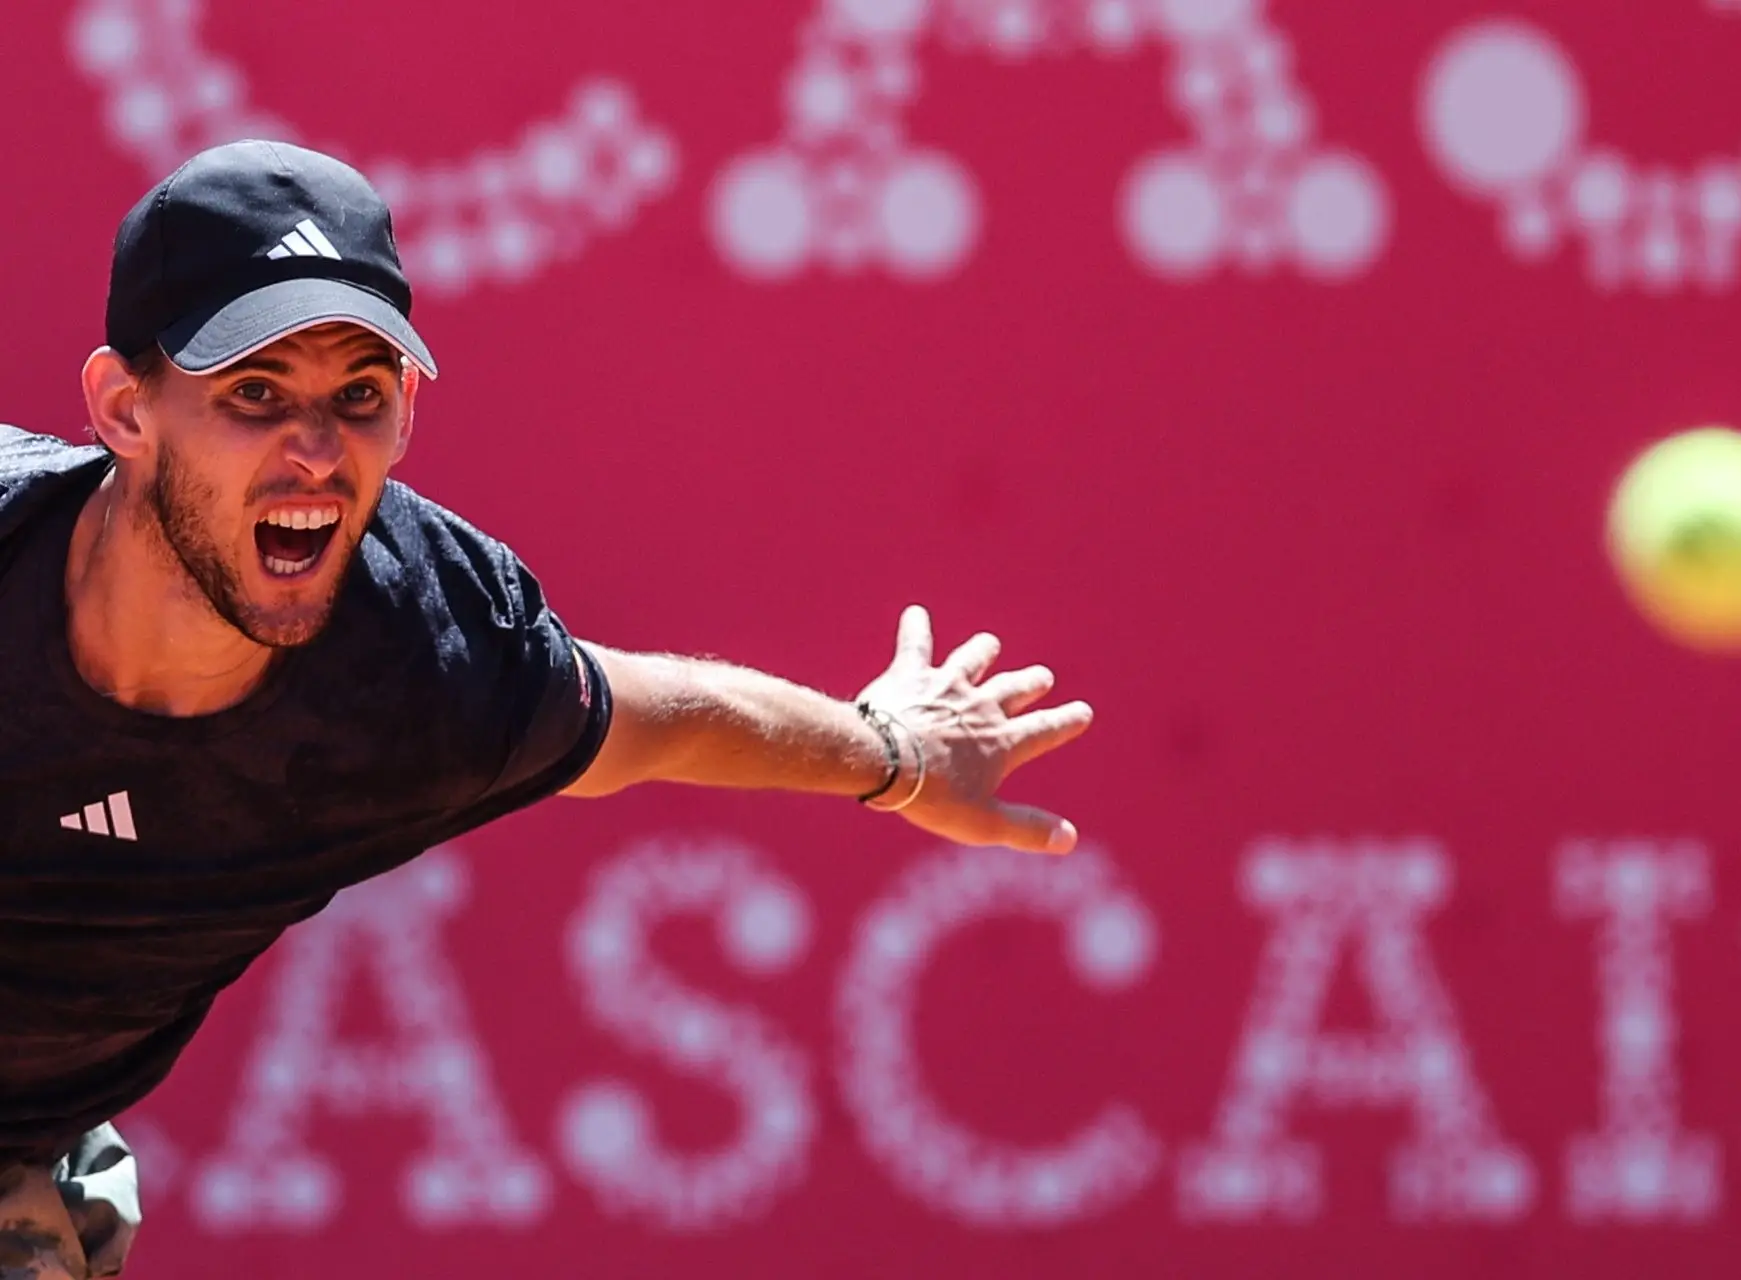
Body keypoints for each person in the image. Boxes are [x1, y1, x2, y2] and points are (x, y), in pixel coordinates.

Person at [0, 139, 1093, 1277]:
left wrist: (896, 752)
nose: (315, 451)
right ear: (125, 410)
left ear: (406, 418)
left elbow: (654, 718)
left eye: (359, 396)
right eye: (255, 393)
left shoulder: (431, 659)